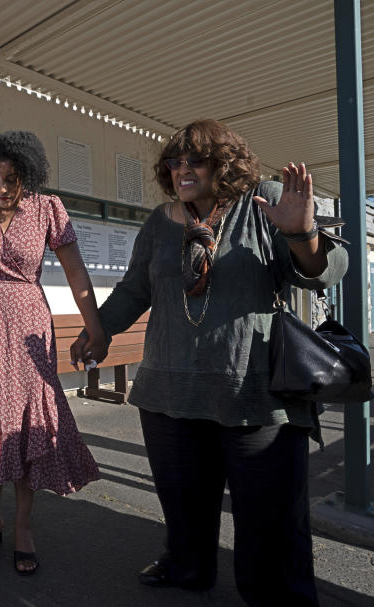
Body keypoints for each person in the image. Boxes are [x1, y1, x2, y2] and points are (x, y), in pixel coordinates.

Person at [70, 119, 347, 606]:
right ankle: (187, 567)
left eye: (195, 159)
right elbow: (136, 287)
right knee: (183, 506)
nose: (182, 170)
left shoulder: (263, 203)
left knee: (270, 520)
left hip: (254, 395)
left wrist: (302, 234)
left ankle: (275, 595)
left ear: (225, 163)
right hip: (168, 394)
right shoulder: (159, 222)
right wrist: (99, 330)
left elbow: (326, 273)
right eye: (174, 162)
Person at [0, 130, 103, 575]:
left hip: (30, 326)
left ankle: (24, 526)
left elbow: (76, 272)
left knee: (27, 423)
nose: (3, 188)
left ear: (27, 174)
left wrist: (96, 327)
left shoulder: (48, 209)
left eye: (11, 178)